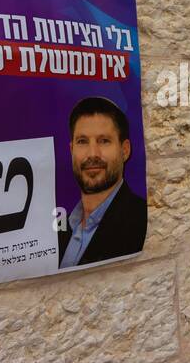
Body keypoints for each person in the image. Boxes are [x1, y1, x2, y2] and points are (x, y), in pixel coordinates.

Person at [58, 96, 147, 268]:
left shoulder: (141, 222)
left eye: (104, 141)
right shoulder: (60, 226)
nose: (93, 154)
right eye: (82, 142)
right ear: (71, 150)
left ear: (125, 150)